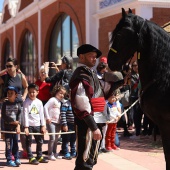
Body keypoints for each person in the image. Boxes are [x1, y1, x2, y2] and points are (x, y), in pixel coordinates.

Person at [69, 44, 105, 170]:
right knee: (84, 161)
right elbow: (81, 105)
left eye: (95, 57)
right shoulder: (81, 76)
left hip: (96, 120)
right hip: (87, 123)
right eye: (91, 56)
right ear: (82, 57)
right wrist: (94, 127)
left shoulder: (90, 73)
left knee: (90, 158)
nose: (95, 59)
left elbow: (99, 94)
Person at [0, 57, 28, 158]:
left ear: (16, 66)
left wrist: (24, 96)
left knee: (22, 127)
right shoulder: (5, 77)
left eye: (10, 66)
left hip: (19, 106)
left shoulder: (20, 76)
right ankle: (11, 153)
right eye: (6, 66)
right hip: (8, 107)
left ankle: (25, 151)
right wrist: (1, 99)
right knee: (10, 131)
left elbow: (26, 87)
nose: (8, 68)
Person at [23, 83, 48, 165]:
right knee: (28, 141)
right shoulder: (26, 102)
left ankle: (39, 156)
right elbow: (25, 114)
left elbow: (42, 114)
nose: (31, 94)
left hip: (38, 125)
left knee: (40, 141)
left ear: (37, 92)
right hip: (29, 125)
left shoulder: (39, 102)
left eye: (33, 92)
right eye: (30, 92)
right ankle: (30, 157)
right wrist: (26, 126)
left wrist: (43, 125)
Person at [44, 85, 67, 161]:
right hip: (51, 122)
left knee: (56, 139)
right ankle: (50, 154)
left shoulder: (60, 102)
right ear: (56, 92)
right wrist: (47, 118)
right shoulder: (52, 99)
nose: (62, 95)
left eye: (63, 94)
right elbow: (45, 107)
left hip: (58, 122)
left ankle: (54, 152)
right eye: (60, 93)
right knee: (52, 138)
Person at [1, 86, 21, 167]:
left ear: (16, 95)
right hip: (7, 128)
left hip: (15, 128)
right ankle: (9, 159)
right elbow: (4, 116)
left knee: (15, 143)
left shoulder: (18, 104)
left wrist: (18, 125)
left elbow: (19, 115)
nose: (9, 94)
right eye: (8, 93)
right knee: (9, 144)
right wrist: (12, 122)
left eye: (11, 93)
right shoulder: (5, 104)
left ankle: (16, 158)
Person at [60, 89, 76, 160]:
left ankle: (73, 151)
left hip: (74, 125)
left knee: (73, 139)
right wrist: (64, 124)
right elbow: (63, 115)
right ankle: (66, 152)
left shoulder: (77, 104)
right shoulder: (65, 104)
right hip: (67, 124)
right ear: (69, 95)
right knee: (66, 139)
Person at [130, 61, 143, 139]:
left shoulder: (142, 74)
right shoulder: (131, 76)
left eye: (137, 65)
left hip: (142, 96)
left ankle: (142, 130)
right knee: (136, 114)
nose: (136, 67)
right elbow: (133, 86)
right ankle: (137, 131)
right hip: (134, 96)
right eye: (134, 66)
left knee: (142, 114)